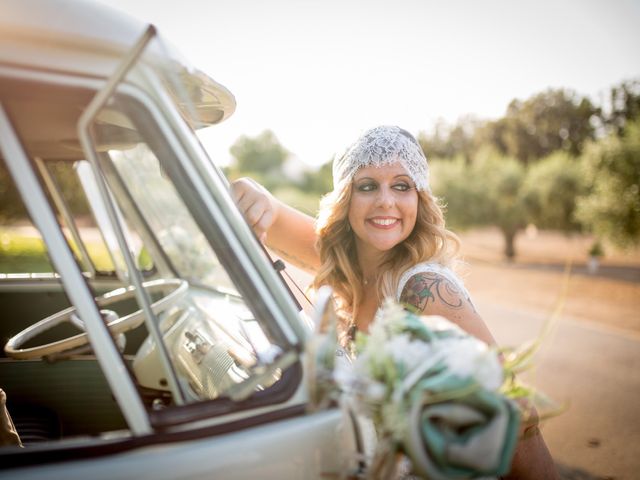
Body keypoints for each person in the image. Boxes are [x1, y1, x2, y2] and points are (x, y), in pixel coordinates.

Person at [232, 125, 558, 479]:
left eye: (401, 186)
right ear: (346, 199)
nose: (385, 201)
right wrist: (251, 189)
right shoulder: (350, 266)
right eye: (367, 186)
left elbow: (517, 413)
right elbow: (273, 217)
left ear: (419, 197)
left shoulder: (423, 289)